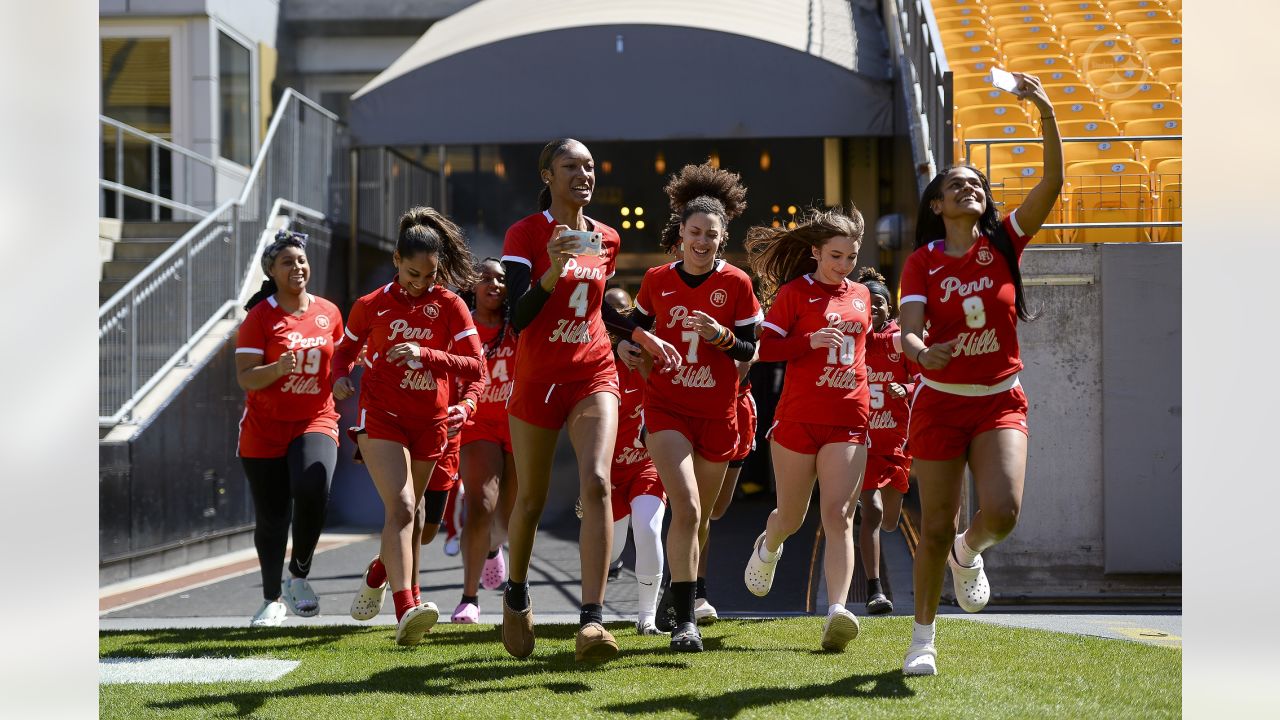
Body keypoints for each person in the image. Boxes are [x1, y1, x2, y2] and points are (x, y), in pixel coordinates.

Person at [897, 71, 1062, 676]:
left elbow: (1052, 183)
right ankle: (921, 639)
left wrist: (1044, 111)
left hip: (998, 400)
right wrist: (920, 352)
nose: (969, 188)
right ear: (936, 204)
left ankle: (971, 555)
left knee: (1002, 514)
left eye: (976, 184)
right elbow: (908, 327)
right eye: (955, 185)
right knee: (935, 524)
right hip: (939, 401)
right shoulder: (923, 261)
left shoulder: (1006, 244)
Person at [499, 138, 681, 661]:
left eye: (589, 166)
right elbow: (519, 317)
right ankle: (516, 594)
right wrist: (551, 270)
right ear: (547, 175)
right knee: (530, 500)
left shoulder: (607, 237)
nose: (583, 174)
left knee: (598, 481)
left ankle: (593, 620)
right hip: (538, 379)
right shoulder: (525, 234)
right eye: (570, 166)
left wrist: (637, 336)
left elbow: (595, 310)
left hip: (593, 371)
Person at [332, 206, 484, 646]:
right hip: (381, 416)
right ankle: (406, 608)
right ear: (396, 260)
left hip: (431, 422)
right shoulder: (371, 305)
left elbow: (476, 366)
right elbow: (345, 351)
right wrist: (340, 377)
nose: (421, 283)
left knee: (418, 521)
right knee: (401, 508)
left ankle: (381, 571)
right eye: (413, 273)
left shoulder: (451, 305)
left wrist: (428, 355)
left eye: (430, 275)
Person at [628, 162, 759, 651]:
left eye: (712, 234)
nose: (702, 241)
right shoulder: (657, 279)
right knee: (683, 506)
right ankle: (686, 623)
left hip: (718, 412)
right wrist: (632, 346)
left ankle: (676, 592)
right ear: (680, 233)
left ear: (723, 239)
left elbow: (749, 350)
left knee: (700, 517)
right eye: (695, 232)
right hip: (666, 408)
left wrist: (721, 336)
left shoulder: (739, 284)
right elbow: (633, 331)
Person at [741, 206, 871, 653]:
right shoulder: (795, 293)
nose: (844, 265)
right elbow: (765, 349)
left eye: (851, 257)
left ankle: (837, 610)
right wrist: (807, 342)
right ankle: (769, 544)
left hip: (849, 419)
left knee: (838, 516)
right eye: (836, 255)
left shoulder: (863, 296)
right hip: (797, 419)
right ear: (815, 252)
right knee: (792, 518)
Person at [235, 230, 344, 627]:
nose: (297, 267)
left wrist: (345, 375)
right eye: (287, 262)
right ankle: (271, 599)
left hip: (316, 417)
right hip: (263, 428)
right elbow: (246, 378)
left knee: (314, 485)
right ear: (271, 270)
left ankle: (299, 575)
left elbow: (338, 361)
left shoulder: (329, 312)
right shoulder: (259, 317)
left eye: (301, 260)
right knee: (273, 517)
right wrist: (277, 369)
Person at [453, 258, 520, 623]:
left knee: (508, 519)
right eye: (485, 278)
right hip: (477, 423)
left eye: (501, 279)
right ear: (471, 286)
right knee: (481, 503)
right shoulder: (463, 326)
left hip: (518, 423)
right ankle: (469, 597)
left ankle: (494, 547)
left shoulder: (518, 325)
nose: (494, 284)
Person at [599, 288, 669, 635]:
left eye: (626, 313)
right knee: (609, 553)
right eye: (611, 314)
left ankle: (646, 618)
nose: (619, 322)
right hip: (606, 471)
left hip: (646, 465)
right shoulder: (596, 363)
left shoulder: (657, 357)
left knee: (648, 527)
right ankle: (593, 615)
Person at [856, 267, 916, 616]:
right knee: (874, 513)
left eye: (879, 303)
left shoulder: (900, 340)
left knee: (891, 520)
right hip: (861, 443)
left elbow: (922, 378)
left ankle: (873, 510)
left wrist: (904, 388)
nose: (873, 309)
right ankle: (875, 590)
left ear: (888, 309)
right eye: (867, 303)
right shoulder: (852, 341)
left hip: (896, 441)